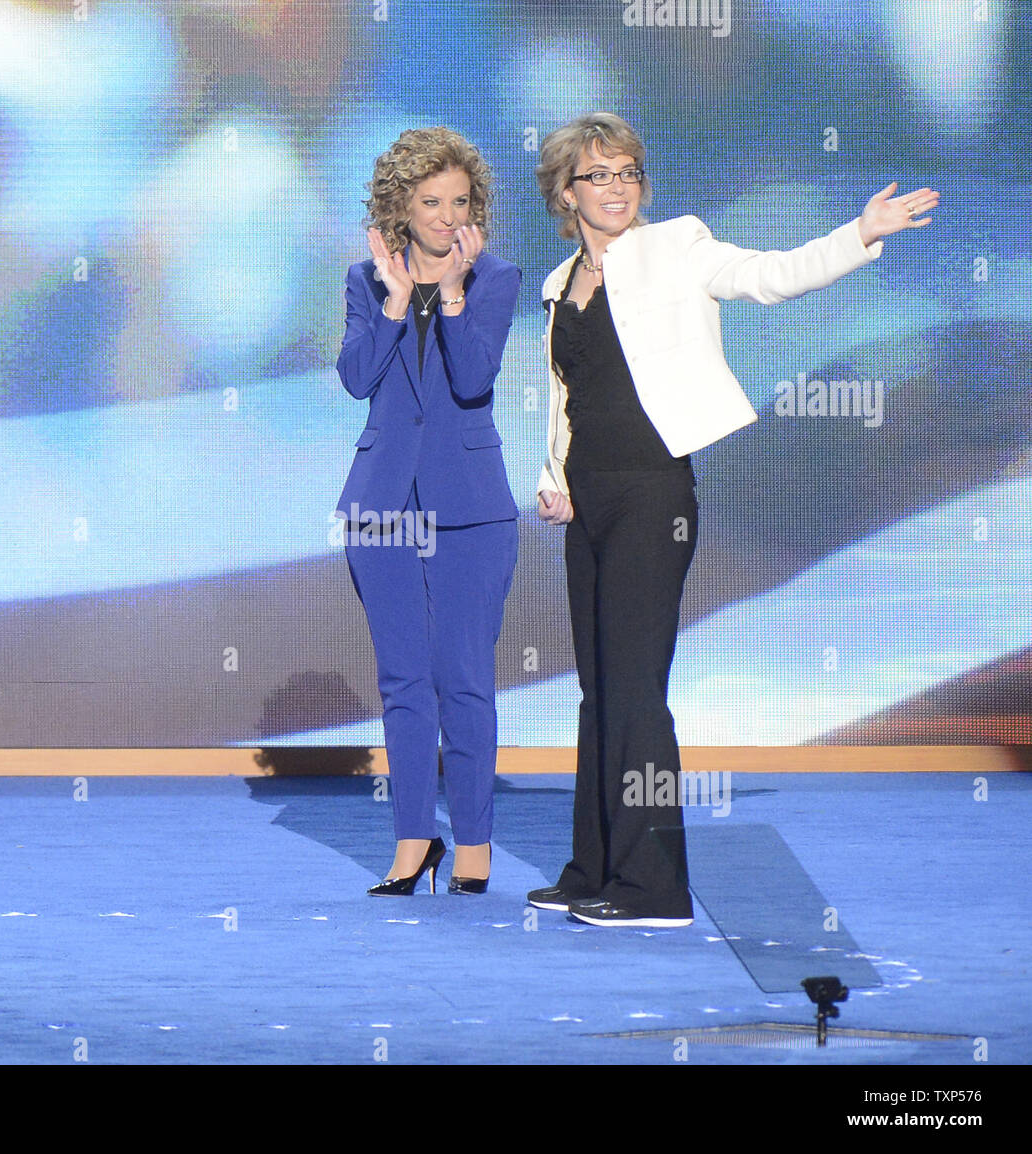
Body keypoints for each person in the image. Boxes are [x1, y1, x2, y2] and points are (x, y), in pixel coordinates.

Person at [528, 112, 938, 927]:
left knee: (637, 688)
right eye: (598, 175)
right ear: (565, 192)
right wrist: (553, 476)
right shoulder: (558, 282)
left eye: (627, 172)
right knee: (598, 688)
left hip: (652, 494)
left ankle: (654, 889)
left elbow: (774, 274)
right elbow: (569, 398)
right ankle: (596, 867)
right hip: (590, 499)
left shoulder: (677, 246)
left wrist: (860, 232)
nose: (616, 188)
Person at [335, 127, 522, 895]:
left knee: (464, 680)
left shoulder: (497, 277)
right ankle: (415, 841)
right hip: (382, 505)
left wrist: (449, 296)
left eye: (460, 201)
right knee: (404, 681)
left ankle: (472, 844)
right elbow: (354, 378)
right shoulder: (366, 279)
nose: (447, 216)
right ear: (399, 209)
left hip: (469, 507)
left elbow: (475, 377)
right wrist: (397, 300)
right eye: (430, 202)